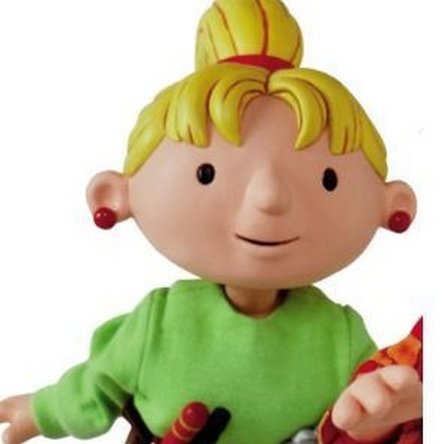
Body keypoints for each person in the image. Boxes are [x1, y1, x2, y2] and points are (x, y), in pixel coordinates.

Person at [0, 0, 422, 443]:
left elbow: (366, 414)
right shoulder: (159, 324)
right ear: (112, 196)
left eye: (327, 179)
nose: (270, 197)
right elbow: (95, 388)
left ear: (394, 206)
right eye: (207, 173)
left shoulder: (340, 336)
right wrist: (43, 411)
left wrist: (388, 418)